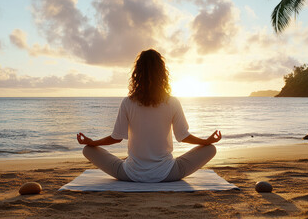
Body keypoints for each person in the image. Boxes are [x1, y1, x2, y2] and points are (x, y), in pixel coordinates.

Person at [77, 49, 221, 183]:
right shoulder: (172, 102)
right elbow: (183, 136)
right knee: (210, 149)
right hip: (168, 174)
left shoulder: (128, 102)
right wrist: (206, 141)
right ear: (162, 74)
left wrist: (92, 143)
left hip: (131, 175)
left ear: (137, 74)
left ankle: (131, 162)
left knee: (87, 150)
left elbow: (116, 137)